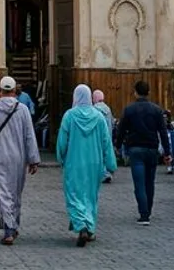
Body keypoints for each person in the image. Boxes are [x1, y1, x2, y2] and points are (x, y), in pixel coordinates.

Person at [0, 76, 40, 246]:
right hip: (18, 158)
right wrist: (33, 159)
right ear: (15, 91)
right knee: (14, 193)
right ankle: (12, 225)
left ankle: (9, 228)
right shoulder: (23, 110)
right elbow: (30, 135)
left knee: (2, 192)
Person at [56, 84, 117, 247]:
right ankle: (89, 227)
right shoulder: (98, 117)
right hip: (94, 163)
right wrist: (111, 163)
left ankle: (80, 224)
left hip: (74, 162)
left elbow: (62, 140)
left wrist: (60, 156)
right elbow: (106, 142)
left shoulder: (69, 116)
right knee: (90, 195)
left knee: (74, 194)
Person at [115, 80, 171, 224]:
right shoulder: (156, 110)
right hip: (152, 148)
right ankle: (148, 210)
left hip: (135, 149)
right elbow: (163, 132)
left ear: (135, 92)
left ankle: (143, 213)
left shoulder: (129, 110)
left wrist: (117, 145)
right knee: (149, 182)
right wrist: (167, 152)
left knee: (139, 183)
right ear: (149, 92)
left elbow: (121, 130)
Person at [92, 89, 115, 182]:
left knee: (98, 154)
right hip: (108, 135)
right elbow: (112, 122)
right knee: (106, 153)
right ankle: (108, 172)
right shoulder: (108, 109)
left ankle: (103, 173)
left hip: (98, 136)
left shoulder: (94, 109)